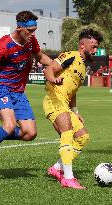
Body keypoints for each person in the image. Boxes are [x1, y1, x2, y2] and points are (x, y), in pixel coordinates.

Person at [0, 10, 53, 184]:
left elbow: (41, 56)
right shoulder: (4, 45)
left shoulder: (31, 41)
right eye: (29, 31)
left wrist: (58, 65)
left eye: (34, 30)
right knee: (9, 126)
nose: (32, 34)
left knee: (30, 133)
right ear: (19, 28)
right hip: (1, 89)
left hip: (18, 93)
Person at [43, 28, 103, 189]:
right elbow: (49, 69)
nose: (96, 50)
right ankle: (68, 178)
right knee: (67, 134)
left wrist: (76, 111)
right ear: (82, 45)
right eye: (94, 46)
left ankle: (56, 168)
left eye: (97, 47)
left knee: (83, 137)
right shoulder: (70, 55)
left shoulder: (83, 67)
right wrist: (53, 79)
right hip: (54, 100)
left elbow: (73, 91)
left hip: (66, 104)